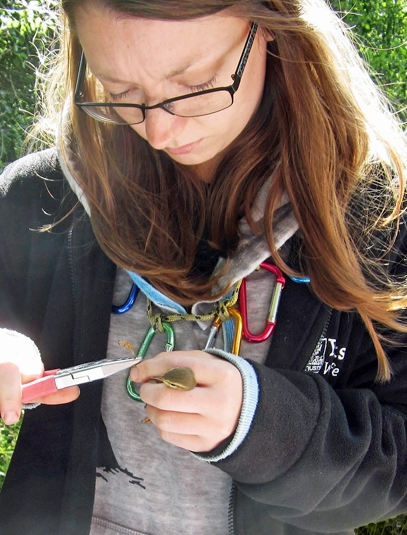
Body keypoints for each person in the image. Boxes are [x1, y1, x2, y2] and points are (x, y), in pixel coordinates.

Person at [0, 0, 407, 534]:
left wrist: (267, 427)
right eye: (119, 91)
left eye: (194, 84)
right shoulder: (41, 197)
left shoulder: (381, 222)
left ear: (271, 29)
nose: (161, 133)